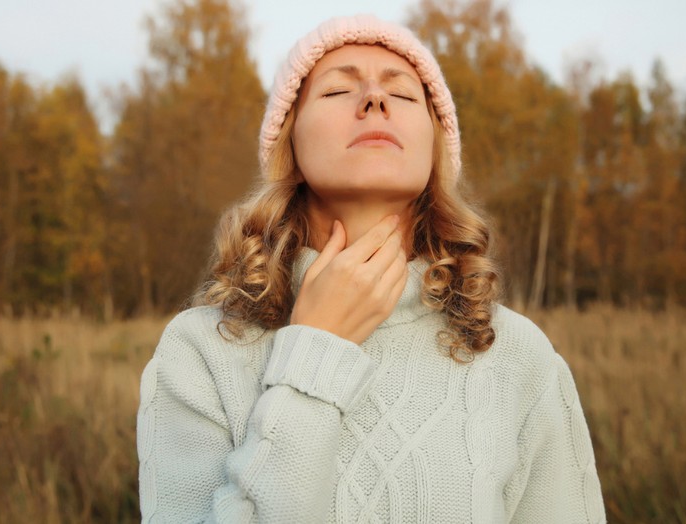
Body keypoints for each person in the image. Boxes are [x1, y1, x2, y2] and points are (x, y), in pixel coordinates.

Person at [137, 14, 606, 524]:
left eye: (403, 95)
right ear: (288, 143)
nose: (374, 100)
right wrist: (314, 353)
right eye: (338, 90)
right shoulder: (200, 351)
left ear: (435, 149)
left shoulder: (516, 356)